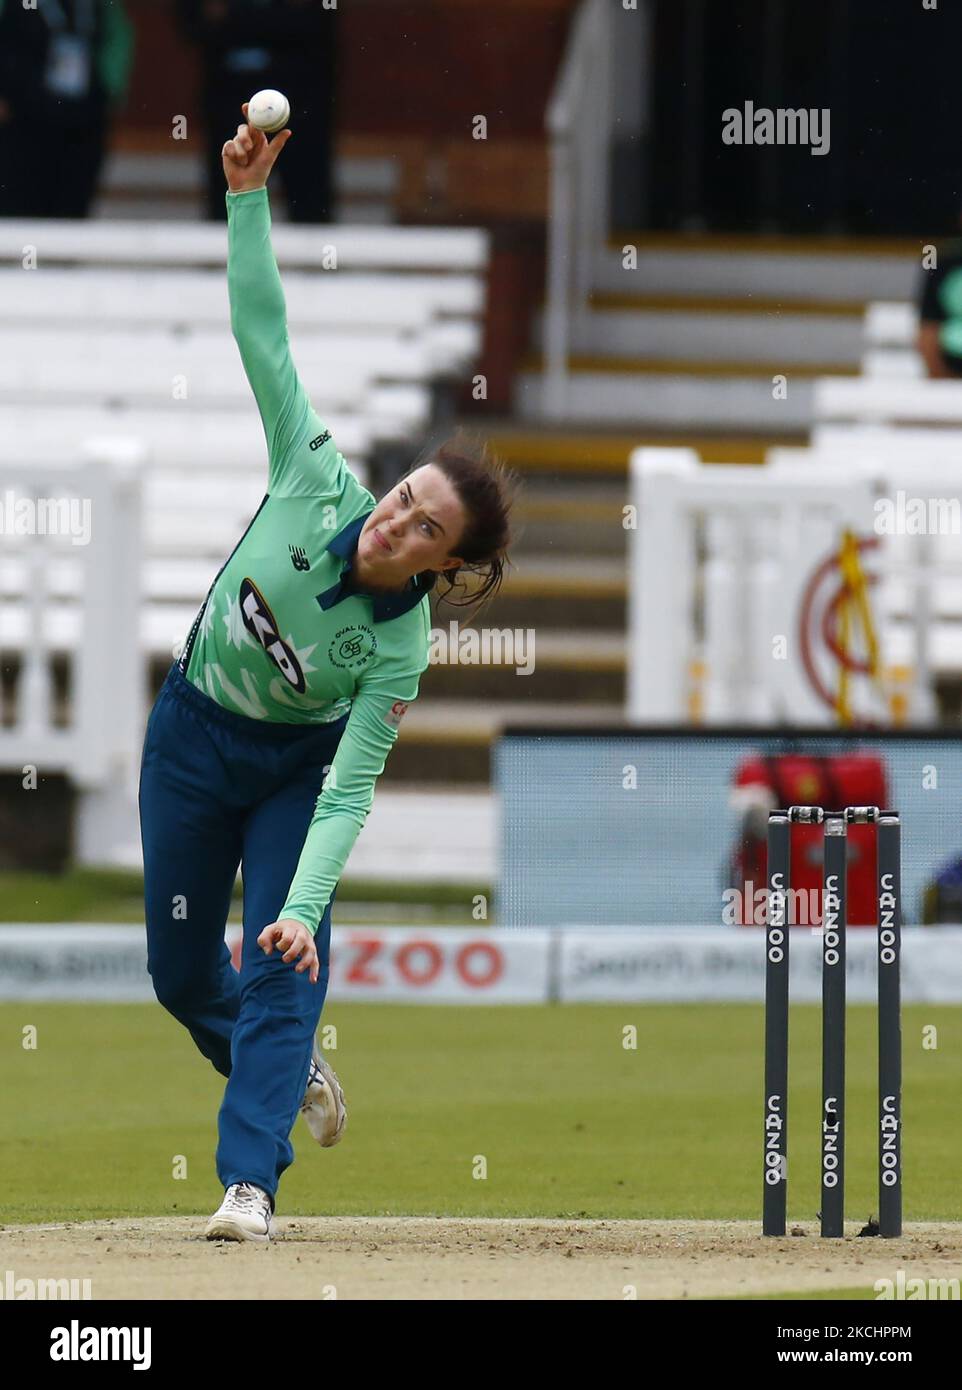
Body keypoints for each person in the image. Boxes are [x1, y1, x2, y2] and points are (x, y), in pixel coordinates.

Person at [138, 104, 518, 1244]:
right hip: (192, 730)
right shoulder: (314, 472)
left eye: (424, 530)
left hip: (295, 769)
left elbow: (351, 788)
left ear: (445, 566)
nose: (397, 522)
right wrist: (245, 195)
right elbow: (264, 331)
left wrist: (300, 910)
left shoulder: (401, 648)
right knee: (176, 968)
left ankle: (249, 1182)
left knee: (277, 960)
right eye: (407, 498)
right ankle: (294, 1067)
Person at [173, 0, 338, 223]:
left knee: (309, 204)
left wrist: (235, 18)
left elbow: (313, 22)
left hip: (299, 104)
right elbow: (194, 20)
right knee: (227, 203)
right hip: (227, 100)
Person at [0, 0, 134, 218]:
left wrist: (110, 92)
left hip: (81, 120)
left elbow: (117, 38)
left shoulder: (99, 5)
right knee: (20, 208)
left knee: (71, 209)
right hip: (22, 118)